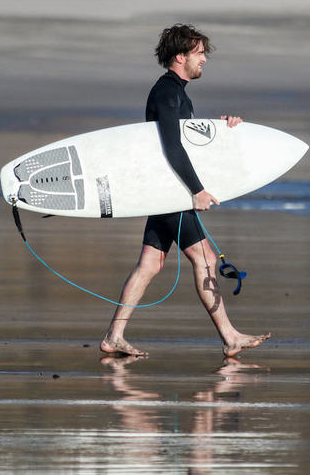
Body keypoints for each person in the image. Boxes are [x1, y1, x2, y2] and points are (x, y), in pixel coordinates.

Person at [100, 24, 271, 358]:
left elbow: (190, 142)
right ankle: (229, 336)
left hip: (165, 190)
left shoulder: (178, 93)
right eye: (199, 53)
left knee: (150, 264)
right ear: (181, 56)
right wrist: (196, 191)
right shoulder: (166, 93)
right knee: (204, 257)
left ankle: (114, 336)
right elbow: (172, 147)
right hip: (171, 191)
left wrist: (223, 130)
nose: (204, 60)